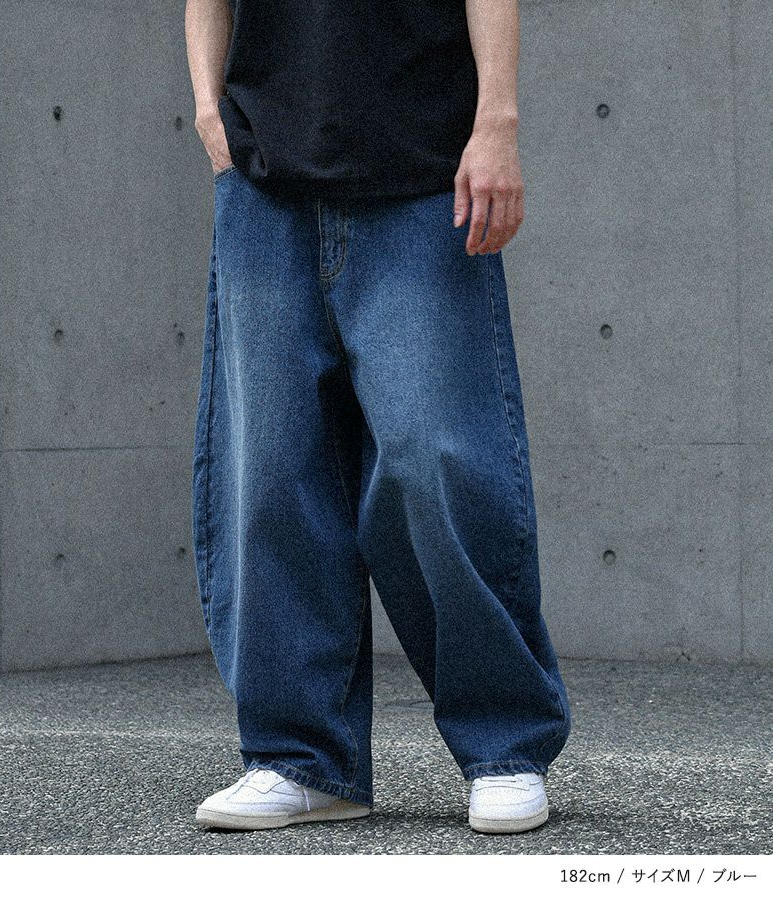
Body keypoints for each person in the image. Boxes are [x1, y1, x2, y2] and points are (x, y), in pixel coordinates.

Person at [185, 0, 571, 835]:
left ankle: (504, 746)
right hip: (263, 177)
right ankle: (301, 759)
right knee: (271, 474)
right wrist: (208, 109)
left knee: (438, 462)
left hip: (425, 170)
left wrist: (496, 123)